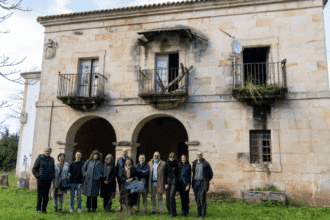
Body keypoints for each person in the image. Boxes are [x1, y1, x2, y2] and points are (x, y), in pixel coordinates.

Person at [32, 147, 55, 214]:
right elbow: (34, 169)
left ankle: (44, 209)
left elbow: (53, 169)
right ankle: (38, 209)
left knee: (46, 196)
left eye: (48, 151)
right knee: (40, 195)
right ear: (44, 151)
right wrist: (38, 176)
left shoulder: (52, 159)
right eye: (46, 151)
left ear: (50, 152)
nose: (47, 152)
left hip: (48, 180)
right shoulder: (39, 159)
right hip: (41, 180)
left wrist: (52, 176)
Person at [192, 151, 213, 219]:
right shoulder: (194, 163)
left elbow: (211, 174)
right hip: (195, 182)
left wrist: (206, 180)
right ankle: (199, 213)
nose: (199, 155)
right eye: (198, 154)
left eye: (200, 154)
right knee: (197, 198)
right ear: (196, 155)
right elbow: (193, 173)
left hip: (202, 182)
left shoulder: (206, 164)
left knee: (203, 198)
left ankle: (203, 214)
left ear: (202, 155)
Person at [116, 148, 132, 212]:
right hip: (121, 179)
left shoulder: (130, 159)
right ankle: (121, 206)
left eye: (126, 151)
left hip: (128, 179)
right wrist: (118, 178)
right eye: (123, 151)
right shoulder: (119, 159)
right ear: (122, 152)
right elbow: (117, 169)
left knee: (128, 193)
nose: (124, 152)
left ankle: (127, 207)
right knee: (121, 193)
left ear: (127, 152)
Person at [164, 152, 179, 217]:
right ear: (168, 157)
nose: (172, 158)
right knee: (167, 197)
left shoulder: (177, 164)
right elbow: (164, 175)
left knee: (172, 196)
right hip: (167, 182)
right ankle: (169, 211)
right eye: (170, 156)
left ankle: (174, 212)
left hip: (174, 182)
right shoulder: (166, 164)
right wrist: (165, 183)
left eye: (173, 156)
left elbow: (178, 174)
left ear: (175, 157)